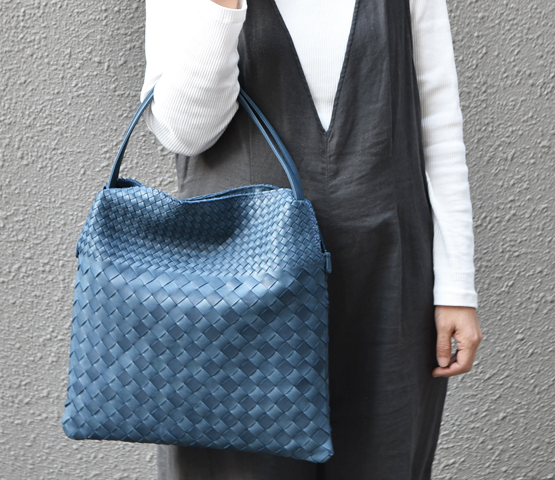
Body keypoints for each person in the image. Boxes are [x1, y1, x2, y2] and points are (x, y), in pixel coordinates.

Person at [139, 0, 483, 478]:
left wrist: (456, 287)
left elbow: (438, 127)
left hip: (386, 276)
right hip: (234, 283)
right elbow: (184, 134)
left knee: (381, 459)